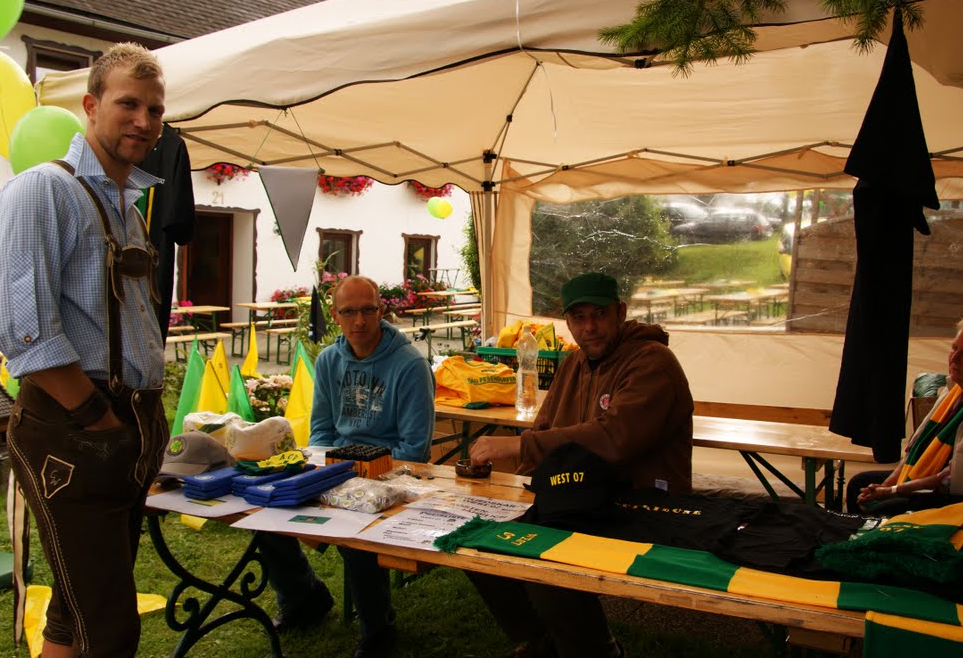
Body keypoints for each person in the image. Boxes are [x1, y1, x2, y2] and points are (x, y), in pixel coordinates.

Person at [0, 43, 169, 657]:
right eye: (127, 104)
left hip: (125, 424)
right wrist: (99, 417)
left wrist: (139, 422)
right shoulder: (43, 191)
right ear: (91, 106)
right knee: (109, 629)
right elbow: (22, 329)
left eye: (154, 109)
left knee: (73, 613)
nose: (143, 121)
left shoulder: (126, 206)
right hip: (77, 428)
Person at [468, 272, 694, 658]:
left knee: (544, 556)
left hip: (642, 502)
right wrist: (521, 492)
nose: (589, 327)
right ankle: (543, 642)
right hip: (580, 495)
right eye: (579, 318)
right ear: (567, 322)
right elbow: (546, 425)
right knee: (478, 543)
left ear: (620, 312)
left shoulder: (653, 362)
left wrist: (516, 446)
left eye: (599, 315)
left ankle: (598, 650)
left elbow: (614, 438)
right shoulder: (574, 362)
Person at [261, 274, 435, 658]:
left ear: (381, 310)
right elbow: (322, 429)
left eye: (368, 310)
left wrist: (356, 477)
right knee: (265, 507)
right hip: (337, 467)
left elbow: (414, 449)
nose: (360, 321)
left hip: (391, 475)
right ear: (335, 316)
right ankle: (303, 596)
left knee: (358, 532)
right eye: (349, 312)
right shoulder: (328, 361)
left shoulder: (409, 366)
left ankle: (378, 629)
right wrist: (327, 473)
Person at [847, 315, 963, 515]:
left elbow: (949, 478)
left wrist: (892, 491)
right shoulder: (952, 393)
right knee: (859, 484)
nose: (954, 358)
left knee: (883, 509)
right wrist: (884, 486)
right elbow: (915, 452)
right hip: (926, 481)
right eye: (954, 349)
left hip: (958, 498)